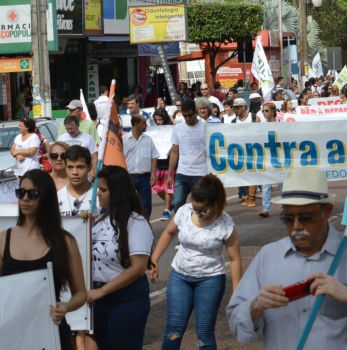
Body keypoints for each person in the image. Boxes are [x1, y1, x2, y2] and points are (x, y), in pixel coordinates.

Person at [226, 168, 347, 349]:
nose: (297, 226)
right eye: (288, 218)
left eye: (306, 217)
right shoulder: (268, 256)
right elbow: (237, 327)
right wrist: (256, 306)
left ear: (327, 211)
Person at [0, 170, 87, 350]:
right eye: (21, 193)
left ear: (46, 198)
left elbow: (81, 293)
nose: (25, 198)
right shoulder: (2, 239)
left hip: (51, 333)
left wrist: (65, 307)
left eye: (33, 194)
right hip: (13, 335)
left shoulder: (65, 242)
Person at [151, 174, 242, 350]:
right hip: (180, 277)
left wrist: (237, 291)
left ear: (216, 204)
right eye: (195, 209)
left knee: (204, 333)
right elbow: (168, 233)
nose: (198, 214)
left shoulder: (226, 223)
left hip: (210, 280)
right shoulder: (184, 211)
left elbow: (235, 259)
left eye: (203, 210)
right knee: (173, 330)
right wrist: (154, 259)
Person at [86, 166, 153, 350]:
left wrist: (103, 291)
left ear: (118, 192)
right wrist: (81, 226)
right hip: (99, 300)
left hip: (126, 299)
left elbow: (138, 267)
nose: (98, 194)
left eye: (103, 190)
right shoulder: (99, 220)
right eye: (97, 189)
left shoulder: (136, 222)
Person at [167, 100, 208, 213]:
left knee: (199, 204)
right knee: (177, 202)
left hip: (200, 172)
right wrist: (170, 174)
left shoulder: (205, 127)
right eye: (185, 116)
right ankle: (182, 228)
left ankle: (198, 227)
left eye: (190, 115)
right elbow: (174, 152)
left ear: (195, 112)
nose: (188, 118)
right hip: (182, 173)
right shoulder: (178, 128)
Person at [124, 114, 158, 220]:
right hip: (128, 177)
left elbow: (154, 157)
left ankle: (145, 227)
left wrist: (153, 174)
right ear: (136, 124)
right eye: (143, 123)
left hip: (144, 177)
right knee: (126, 204)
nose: (146, 125)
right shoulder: (124, 140)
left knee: (145, 206)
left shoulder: (148, 139)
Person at [58, 145, 94, 217]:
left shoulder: (99, 196)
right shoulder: (57, 197)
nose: (74, 172)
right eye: (70, 167)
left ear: (89, 167)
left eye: (80, 167)